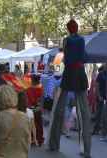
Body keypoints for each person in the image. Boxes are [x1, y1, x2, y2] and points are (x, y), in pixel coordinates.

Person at [47, 19, 92, 158]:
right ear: (77, 28)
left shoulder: (67, 40)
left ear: (68, 29)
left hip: (69, 74)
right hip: (80, 75)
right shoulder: (82, 39)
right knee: (84, 112)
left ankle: (54, 144)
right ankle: (86, 150)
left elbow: (66, 59)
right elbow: (84, 57)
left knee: (58, 109)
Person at [26, 74, 44, 146]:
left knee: (30, 125)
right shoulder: (41, 87)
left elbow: (27, 99)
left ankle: (32, 139)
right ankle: (39, 139)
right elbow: (41, 99)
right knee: (39, 125)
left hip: (30, 109)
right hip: (38, 108)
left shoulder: (28, 88)